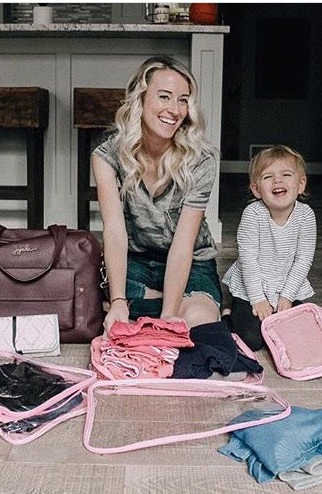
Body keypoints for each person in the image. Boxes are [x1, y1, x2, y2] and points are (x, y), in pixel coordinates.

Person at [92, 55, 221, 335]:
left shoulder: (203, 158)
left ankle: (155, 303)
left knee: (200, 318)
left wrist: (169, 315)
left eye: (183, 100)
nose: (174, 110)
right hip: (136, 261)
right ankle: (143, 301)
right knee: (96, 302)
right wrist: (117, 301)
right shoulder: (107, 155)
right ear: (140, 99)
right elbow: (114, 231)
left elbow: (183, 245)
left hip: (191, 261)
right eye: (164, 97)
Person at [221, 145, 316, 351]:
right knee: (251, 340)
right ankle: (228, 315)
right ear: (256, 189)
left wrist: (287, 297)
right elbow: (248, 260)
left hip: (286, 285)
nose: (277, 181)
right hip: (252, 287)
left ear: (300, 184)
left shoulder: (306, 216)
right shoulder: (253, 215)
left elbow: (303, 259)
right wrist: (258, 300)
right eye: (268, 177)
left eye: (286, 174)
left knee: (301, 332)